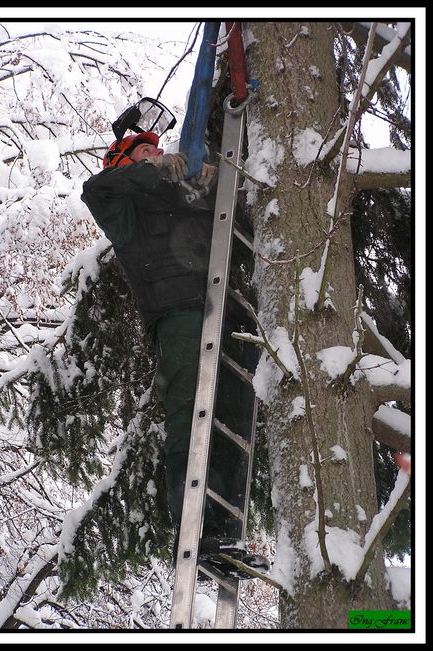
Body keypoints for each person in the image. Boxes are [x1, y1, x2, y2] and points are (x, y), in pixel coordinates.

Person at [81, 131, 266, 577]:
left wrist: (216, 179)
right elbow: (96, 189)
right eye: (146, 152)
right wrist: (149, 171)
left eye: (158, 151)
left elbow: (242, 225)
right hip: (179, 314)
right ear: (123, 162)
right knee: (189, 409)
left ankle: (224, 535)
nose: (160, 155)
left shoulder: (186, 195)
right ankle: (195, 532)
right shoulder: (124, 206)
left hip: (229, 314)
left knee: (234, 418)